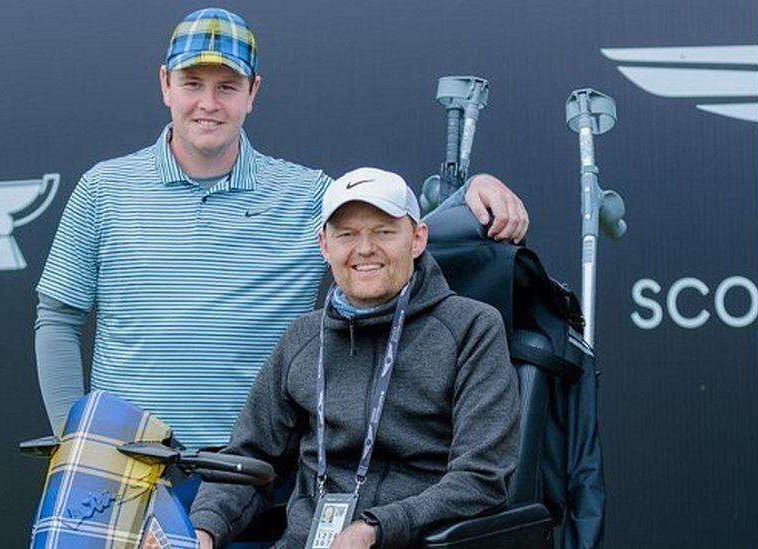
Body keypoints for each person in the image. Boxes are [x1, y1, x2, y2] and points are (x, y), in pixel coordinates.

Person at [35, 7, 529, 450]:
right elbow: (58, 317)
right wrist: (74, 440)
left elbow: (387, 227)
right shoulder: (103, 188)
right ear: (165, 84)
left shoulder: (306, 194)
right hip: (123, 461)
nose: (208, 103)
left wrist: (471, 193)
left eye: (227, 86)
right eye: (192, 83)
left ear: (253, 92)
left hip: (253, 470)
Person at [189, 168, 520, 548]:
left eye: (383, 231)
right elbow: (247, 459)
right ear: (324, 246)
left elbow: (481, 478)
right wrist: (203, 529)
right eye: (346, 234)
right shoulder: (303, 337)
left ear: (417, 239)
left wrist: (376, 530)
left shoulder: (471, 328)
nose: (364, 249)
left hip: (413, 540)